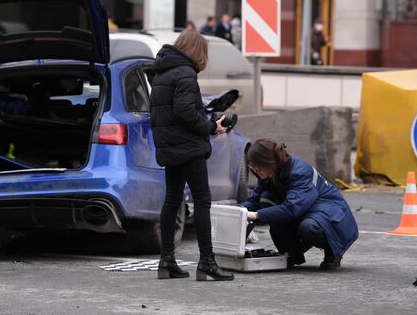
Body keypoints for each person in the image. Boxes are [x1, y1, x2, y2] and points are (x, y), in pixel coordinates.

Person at [149, 30, 233, 281]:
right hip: (188, 147)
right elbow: (185, 111)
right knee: (202, 201)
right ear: (198, 51)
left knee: (172, 200)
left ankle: (166, 261)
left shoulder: (162, 72)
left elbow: (170, 111)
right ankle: (207, 262)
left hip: (169, 145)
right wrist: (211, 126)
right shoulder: (185, 73)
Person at [242, 139, 358, 270]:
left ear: (269, 162)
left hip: (332, 214)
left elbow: (292, 209)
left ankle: (332, 252)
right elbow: (254, 201)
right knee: (266, 199)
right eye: (252, 167)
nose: (255, 171)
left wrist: (256, 215)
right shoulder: (270, 173)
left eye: (257, 167)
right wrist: (237, 210)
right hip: (307, 209)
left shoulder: (299, 172)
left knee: (309, 227)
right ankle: (294, 252)